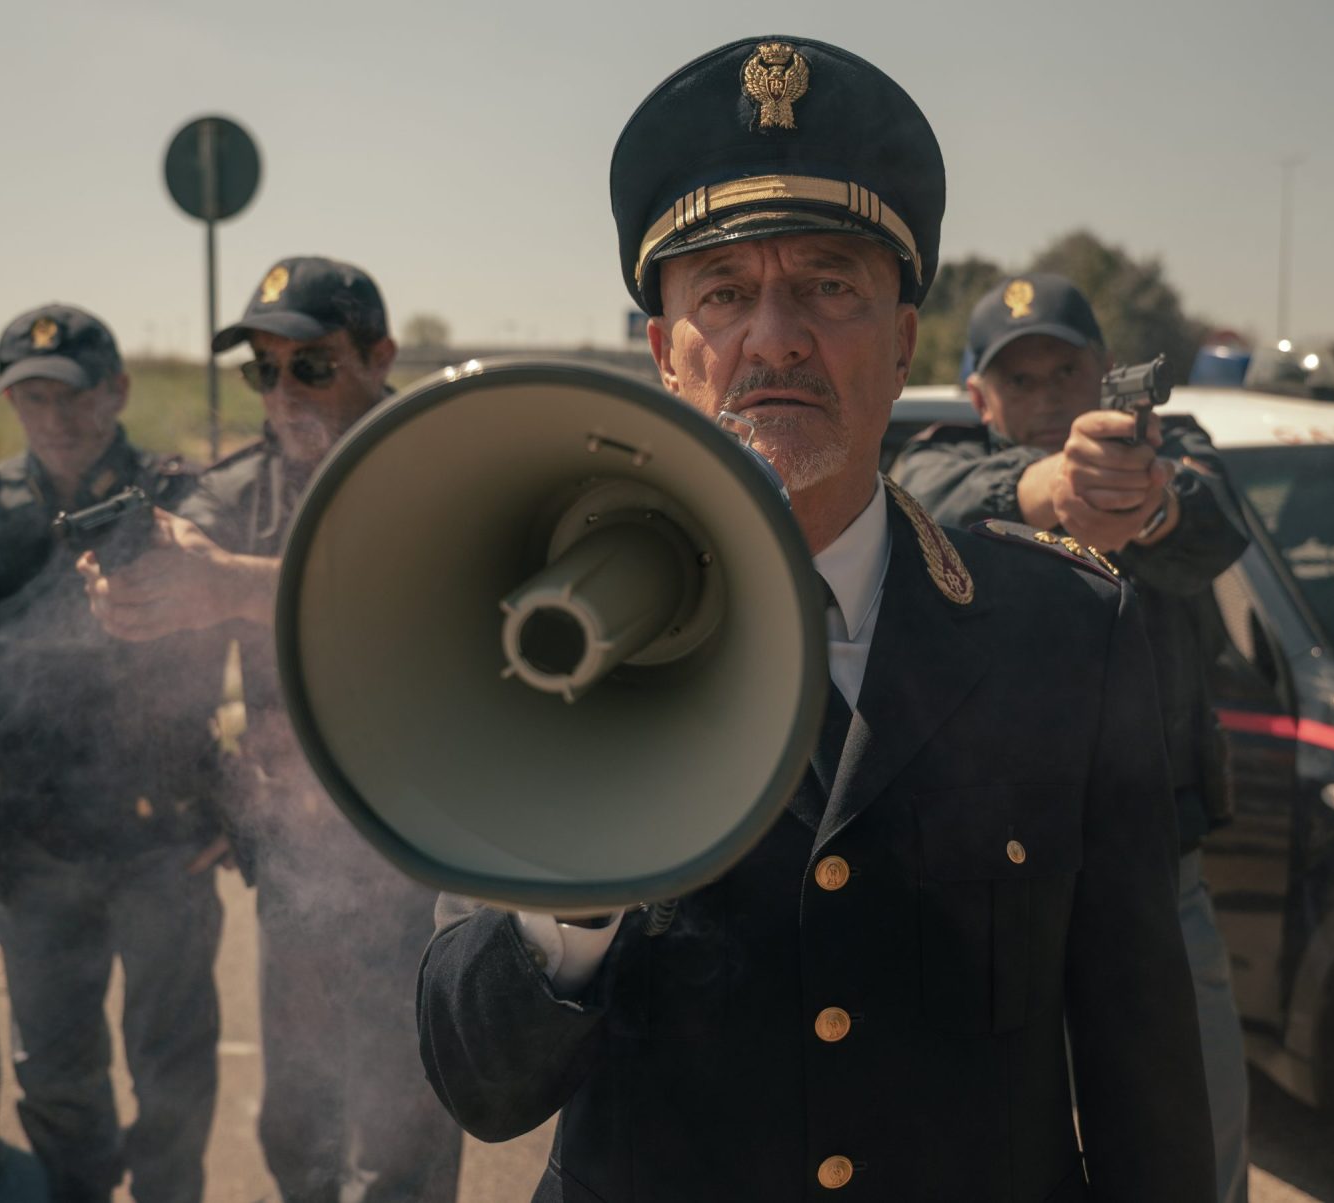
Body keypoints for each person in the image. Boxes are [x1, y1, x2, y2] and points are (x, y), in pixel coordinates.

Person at [413, 36, 1213, 1201]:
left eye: (827, 285)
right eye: (723, 293)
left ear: (900, 343)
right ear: (666, 355)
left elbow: (1143, 1066)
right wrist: (572, 887)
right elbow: (479, 1086)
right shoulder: (543, 649)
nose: (773, 334)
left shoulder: (1064, 632)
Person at [77, 258, 462, 1203]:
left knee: (408, 1122)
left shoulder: (444, 459)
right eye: (264, 370)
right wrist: (136, 587)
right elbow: (179, 596)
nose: (284, 393)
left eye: (312, 366)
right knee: (295, 1120)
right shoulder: (243, 485)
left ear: (380, 356)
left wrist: (231, 584)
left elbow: (441, 603)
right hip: (298, 855)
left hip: (431, 845)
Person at [892, 273, 1253, 1203]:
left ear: (1105, 375)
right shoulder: (943, 458)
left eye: (1067, 369)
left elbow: (1217, 516)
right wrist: (1049, 489)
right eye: (1023, 379)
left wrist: (1146, 502)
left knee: (1193, 1140)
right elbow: (923, 503)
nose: (1049, 396)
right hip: (993, 898)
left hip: (1157, 878)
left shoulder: (1173, 453)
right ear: (979, 397)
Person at [0, 306, 228, 1203]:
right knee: (58, 1072)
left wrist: (246, 788)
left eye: (72, 395)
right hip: (31, 846)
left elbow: (275, 642)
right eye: (30, 396)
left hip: (170, 841)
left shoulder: (192, 501)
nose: (54, 418)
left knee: (172, 1070)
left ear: (117, 391)